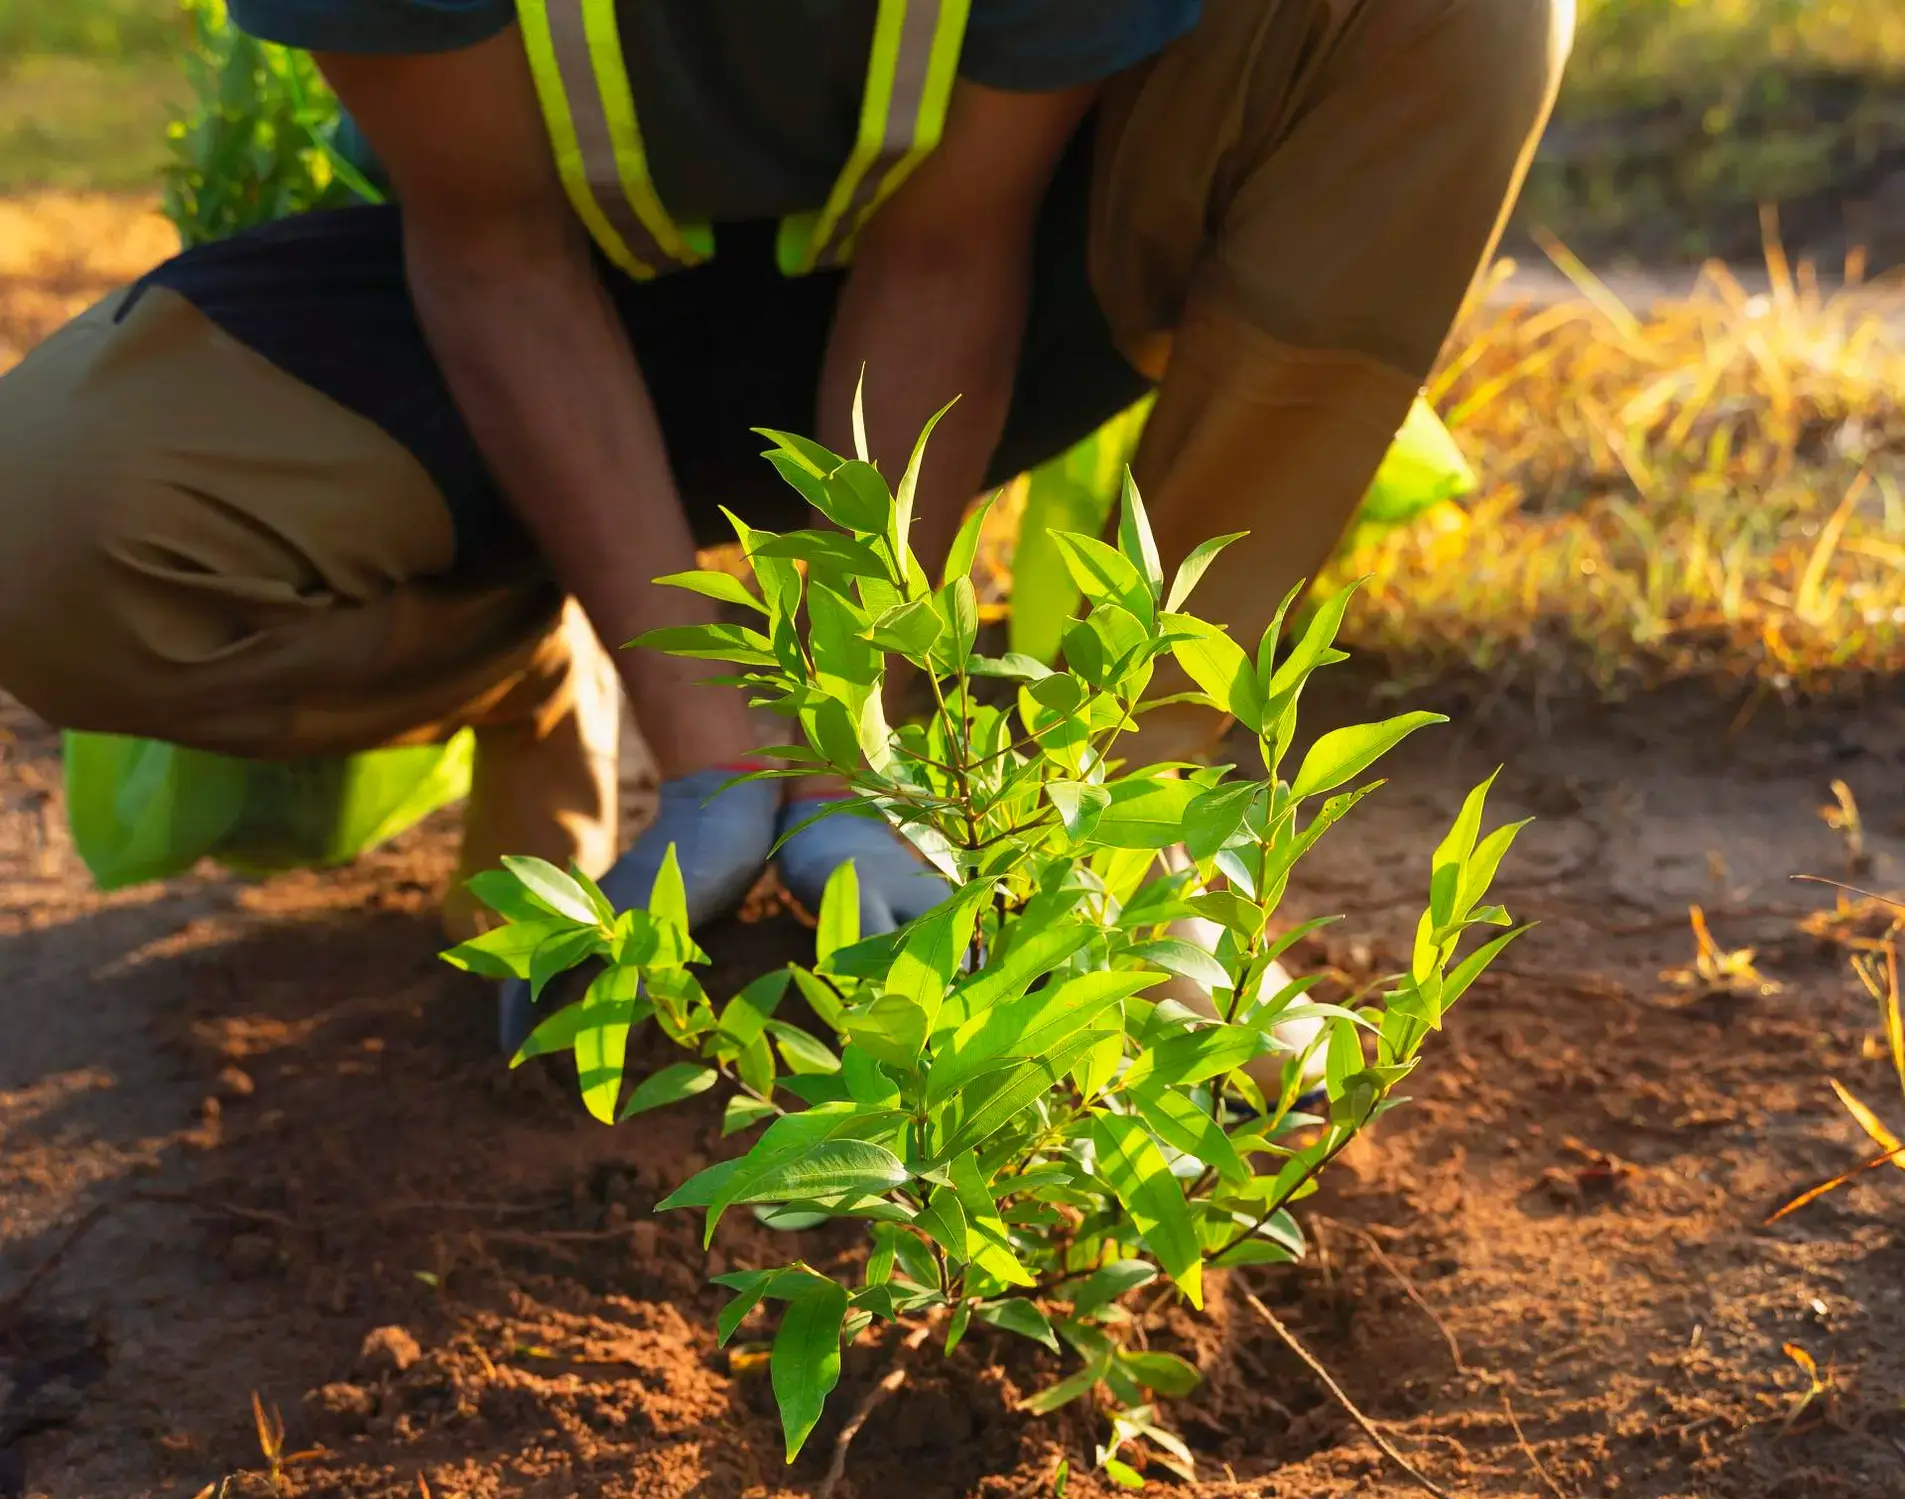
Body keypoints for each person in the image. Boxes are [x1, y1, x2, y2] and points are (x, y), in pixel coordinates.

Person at [0, 0, 1571, 960]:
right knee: (46, 536)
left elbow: (950, 246)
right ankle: (530, 655)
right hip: (531, 300)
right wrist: (712, 759)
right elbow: (491, 248)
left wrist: (844, 748)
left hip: (966, 270)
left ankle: (1128, 856)